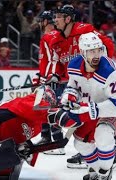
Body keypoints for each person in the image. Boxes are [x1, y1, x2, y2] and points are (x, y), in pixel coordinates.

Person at [49, 4, 116, 169]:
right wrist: (57, 75)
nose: (54, 19)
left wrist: (98, 70)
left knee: (98, 111)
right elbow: (62, 62)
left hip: (96, 78)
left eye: (58, 16)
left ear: (68, 18)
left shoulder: (86, 31)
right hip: (79, 78)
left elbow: (107, 47)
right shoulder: (56, 38)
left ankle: (115, 150)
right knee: (81, 113)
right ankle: (90, 149)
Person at [59, 32, 116, 180]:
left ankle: (105, 173)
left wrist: (87, 109)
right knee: (80, 142)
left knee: (103, 133)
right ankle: (95, 170)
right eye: (91, 51)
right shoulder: (74, 65)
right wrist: (69, 97)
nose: (96, 55)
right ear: (82, 52)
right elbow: (73, 86)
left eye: (98, 50)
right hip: (98, 105)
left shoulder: (109, 71)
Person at [0, 86, 74, 179]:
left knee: (7, 163)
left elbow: (20, 137)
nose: (49, 105)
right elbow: (46, 112)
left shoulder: (38, 125)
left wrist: (25, 151)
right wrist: (67, 115)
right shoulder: (29, 101)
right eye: (48, 102)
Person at [32, 10, 66, 155]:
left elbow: (54, 59)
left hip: (53, 79)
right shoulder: (52, 35)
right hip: (51, 77)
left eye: (41, 20)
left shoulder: (49, 36)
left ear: (46, 21)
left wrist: (48, 77)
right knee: (44, 108)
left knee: (52, 109)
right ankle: (46, 138)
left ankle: (58, 144)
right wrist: (41, 76)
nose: (39, 23)